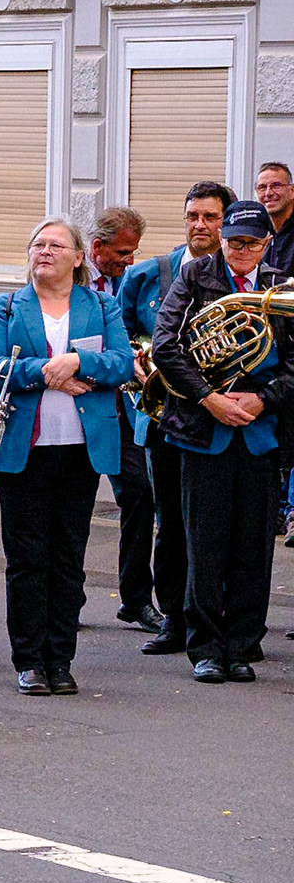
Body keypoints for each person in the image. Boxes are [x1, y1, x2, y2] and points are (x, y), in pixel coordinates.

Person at [0, 219, 135, 695]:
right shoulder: (4, 307)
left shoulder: (102, 305)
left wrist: (79, 362)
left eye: (55, 245)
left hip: (80, 450)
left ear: (79, 257)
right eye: (38, 245)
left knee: (69, 556)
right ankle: (28, 659)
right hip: (23, 450)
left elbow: (123, 362)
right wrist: (50, 371)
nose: (44, 252)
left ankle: (60, 659)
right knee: (27, 558)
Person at [151, 199, 291, 685]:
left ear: (266, 243)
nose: (242, 250)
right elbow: (165, 344)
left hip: (259, 430)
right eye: (235, 242)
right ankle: (206, 647)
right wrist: (209, 397)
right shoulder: (193, 278)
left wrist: (263, 398)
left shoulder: (279, 284)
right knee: (203, 543)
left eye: (252, 243)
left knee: (253, 547)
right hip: (203, 428)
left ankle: (243, 645)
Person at [119, 181, 230, 656]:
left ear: (225, 222)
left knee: (211, 523)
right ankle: (173, 621)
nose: (200, 226)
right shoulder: (149, 274)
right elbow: (117, 331)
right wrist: (135, 356)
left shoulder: (237, 276)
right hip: (162, 418)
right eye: (193, 216)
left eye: (210, 217)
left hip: (215, 417)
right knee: (169, 521)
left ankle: (216, 617)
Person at [84, 207, 165, 635]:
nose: (129, 260)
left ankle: (135, 599)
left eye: (132, 252)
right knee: (73, 505)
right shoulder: (68, 277)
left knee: (141, 494)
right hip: (86, 407)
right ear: (96, 248)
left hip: (129, 410)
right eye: (122, 252)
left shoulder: (136, 282)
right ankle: (68, 596)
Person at [257, 163, 294, 273]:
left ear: (292, 191)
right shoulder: (257, 230)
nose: (268, 193)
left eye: (276, 186)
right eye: (262, 188)